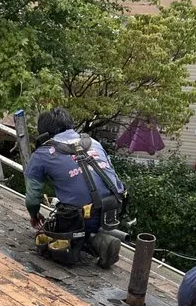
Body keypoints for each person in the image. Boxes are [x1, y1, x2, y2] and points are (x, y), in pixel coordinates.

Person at [24, 107, 125, 268]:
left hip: (82, 217)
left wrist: (34, 215)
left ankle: (97, 242)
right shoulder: (94, 143)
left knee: (54, 238)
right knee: (75, 209)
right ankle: (99, 233)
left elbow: (32, 199)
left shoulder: (42, 154)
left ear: (44, 133)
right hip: (114, 207)